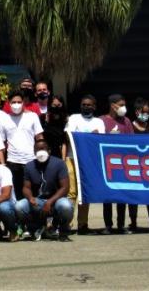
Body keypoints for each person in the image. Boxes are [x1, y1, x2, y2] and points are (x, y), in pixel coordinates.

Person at [15, 139, 73, 242]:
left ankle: (63, 231)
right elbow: (26, 187)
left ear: (49, 150)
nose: (40, 152)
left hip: (56, 200)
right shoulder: (29, 166)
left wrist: (50, 202)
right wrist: (30, 198)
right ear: (34, 152)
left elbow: (65, 187)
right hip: (38, 201)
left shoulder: (59, 163)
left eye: (43, 149)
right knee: (19, 206)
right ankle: (35, 227)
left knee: (66, 206)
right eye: (37, 150)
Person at [64, 94, 103, 235]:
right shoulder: (74, 118)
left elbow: (100, 141)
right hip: (72, 159)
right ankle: (66, 223)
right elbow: (69, 135)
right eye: (84, 104)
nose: (86, 107)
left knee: (85, 193)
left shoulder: (99, 122)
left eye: (89, 105)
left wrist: (92, 137)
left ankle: (83, 224)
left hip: (89, 161)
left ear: (94, 106)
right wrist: (89, 136)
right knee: (71, 193)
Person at [2, 89, 44, 202]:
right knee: (17, 195)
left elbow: (40, 138)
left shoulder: (33, 116)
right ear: (9, 103)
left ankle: (35, 218)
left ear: (23, 102)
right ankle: (20, 218)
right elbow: (2, 144)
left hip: (31, 161)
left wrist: (42, 158)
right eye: (13, 102)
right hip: (13, 162)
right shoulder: (4, 119)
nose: (16, 104)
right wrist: (3, 163)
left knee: (34, 192)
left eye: (19, 102)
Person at [100, 94, 132, 234]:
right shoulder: (101, 120)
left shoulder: (127, 121)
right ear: (113, 105)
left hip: (123, 163)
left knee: (121, 195)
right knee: (107, 195)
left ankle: (121, 225)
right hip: (107, 163)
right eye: (121, 105)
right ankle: (108, 225)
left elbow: (132, 141)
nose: (123, 108)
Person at [128, 97, 149, 232]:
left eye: (148, 112)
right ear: (137, 112)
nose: (146, 114)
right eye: (143, 112)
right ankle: (133, 223)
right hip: (133, 166)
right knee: (133, 196)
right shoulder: (130, 127)